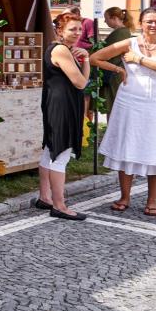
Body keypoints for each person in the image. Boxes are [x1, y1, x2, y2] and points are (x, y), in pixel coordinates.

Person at [90, 7, 156, 216]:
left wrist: (138, 59)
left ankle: (152, 200)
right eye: (149, 21)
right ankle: (124, 196)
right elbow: (95, 58)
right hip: (129, 101)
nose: (153, 25)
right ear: (141, 23)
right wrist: (118, 69)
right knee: (127, 147)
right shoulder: (128, 43)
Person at [35, 12, 91, 221]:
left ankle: (45, 197)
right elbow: (81, 83)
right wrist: (87, 60)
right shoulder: (61, 50)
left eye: (80, 29)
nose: (77, 33)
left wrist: (84, 59)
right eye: (72, 29)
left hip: (57, 103)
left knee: (50, 151)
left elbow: (80, 81)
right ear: (60, 30)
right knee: (61, 153)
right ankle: (59, 205)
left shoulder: (61, 48)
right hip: (62, 106)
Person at [98, 7, 133, 111]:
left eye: (106, 19)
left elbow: (110, 53)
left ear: (114, 18)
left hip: (114, 73)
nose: (105, 22)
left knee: (113, 106)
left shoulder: (121, 33)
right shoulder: (121, 31)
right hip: (113, 71)